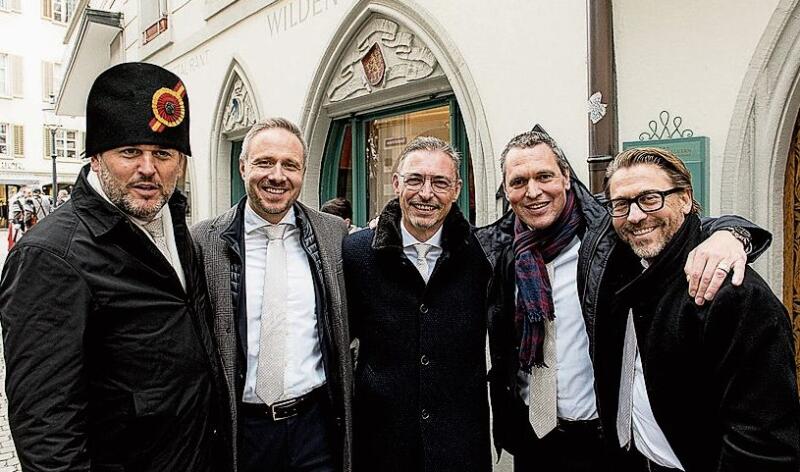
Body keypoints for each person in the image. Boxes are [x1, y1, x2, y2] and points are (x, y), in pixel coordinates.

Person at [476, 127, 771, 472]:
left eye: (544, 176)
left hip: (599, 441)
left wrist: (731, 234)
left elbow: (674, 221)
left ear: (566, 177)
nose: (533, 191)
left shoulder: (610, 233)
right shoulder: (495, 250)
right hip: (531, 437)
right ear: (506, 190)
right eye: (518, 181)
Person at [0, 62, 230, 471]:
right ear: (96, 157)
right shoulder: (50, 256)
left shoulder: (174, 224)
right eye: (130, 152)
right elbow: (45, 426)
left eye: (163, 154)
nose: (148, 168)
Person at [593, 147, 799, 471]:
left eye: (650, 198)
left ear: (686, 199)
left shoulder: (733, 295)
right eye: (622, 204)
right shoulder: (620, 265)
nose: (635, 215)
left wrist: (733, 235)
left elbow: (762, 446)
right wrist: (734, 230)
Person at [192, 118, 353, 472]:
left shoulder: (333, 235)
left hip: (316, 429)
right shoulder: (204, 242)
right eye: (265, 162)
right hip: (242, 433)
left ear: (302, 171)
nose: (277, 176)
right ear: (243, 166)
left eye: (290, 165)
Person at [343, 136, 493, 472]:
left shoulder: (481, 257)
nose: (426, 194)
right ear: (396, 184)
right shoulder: (355, 255)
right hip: (381, 446)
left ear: (456, 190)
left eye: (440, 182)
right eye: (415, 180)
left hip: (460, 447)